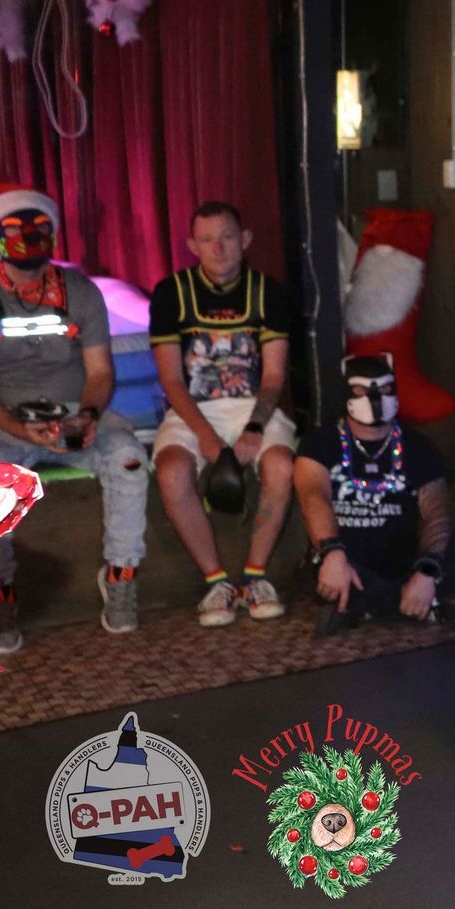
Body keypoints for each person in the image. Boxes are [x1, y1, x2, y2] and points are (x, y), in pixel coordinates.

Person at [0, 184, 147, 651]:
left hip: (72, 417)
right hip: (7, 424)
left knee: (129, 459)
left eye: (39, 228)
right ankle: (2, 595)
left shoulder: (80, 292)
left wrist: (87, 416)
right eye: (15, 229)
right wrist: (19, 429)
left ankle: (121, 577)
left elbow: (101, 372)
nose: (28, 237)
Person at [148, 201, 298, 627]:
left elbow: (274, 377)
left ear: (245, 240)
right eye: (208, 239)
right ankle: (216, 582)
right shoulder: (171, 292)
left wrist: (254, 428)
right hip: (193, 409)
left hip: (253, 405)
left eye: (227, 237)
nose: (218, 248)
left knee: (281, 466)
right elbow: (172, 381)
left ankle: (254, 578)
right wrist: (207, 438)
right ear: (192, 245)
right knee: (172, 472)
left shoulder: (268, 291)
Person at [291, 354, 455, 633]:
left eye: (384, 389)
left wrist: (427, 570)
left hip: (403, 557)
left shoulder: (418, 446)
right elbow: (313, 497)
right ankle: (415, 606)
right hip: (348, 557)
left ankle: (369, 607)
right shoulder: (319, 444)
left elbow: (436, 513)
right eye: (361, 390)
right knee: (322, 573)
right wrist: (332, 552)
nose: (375, 399)